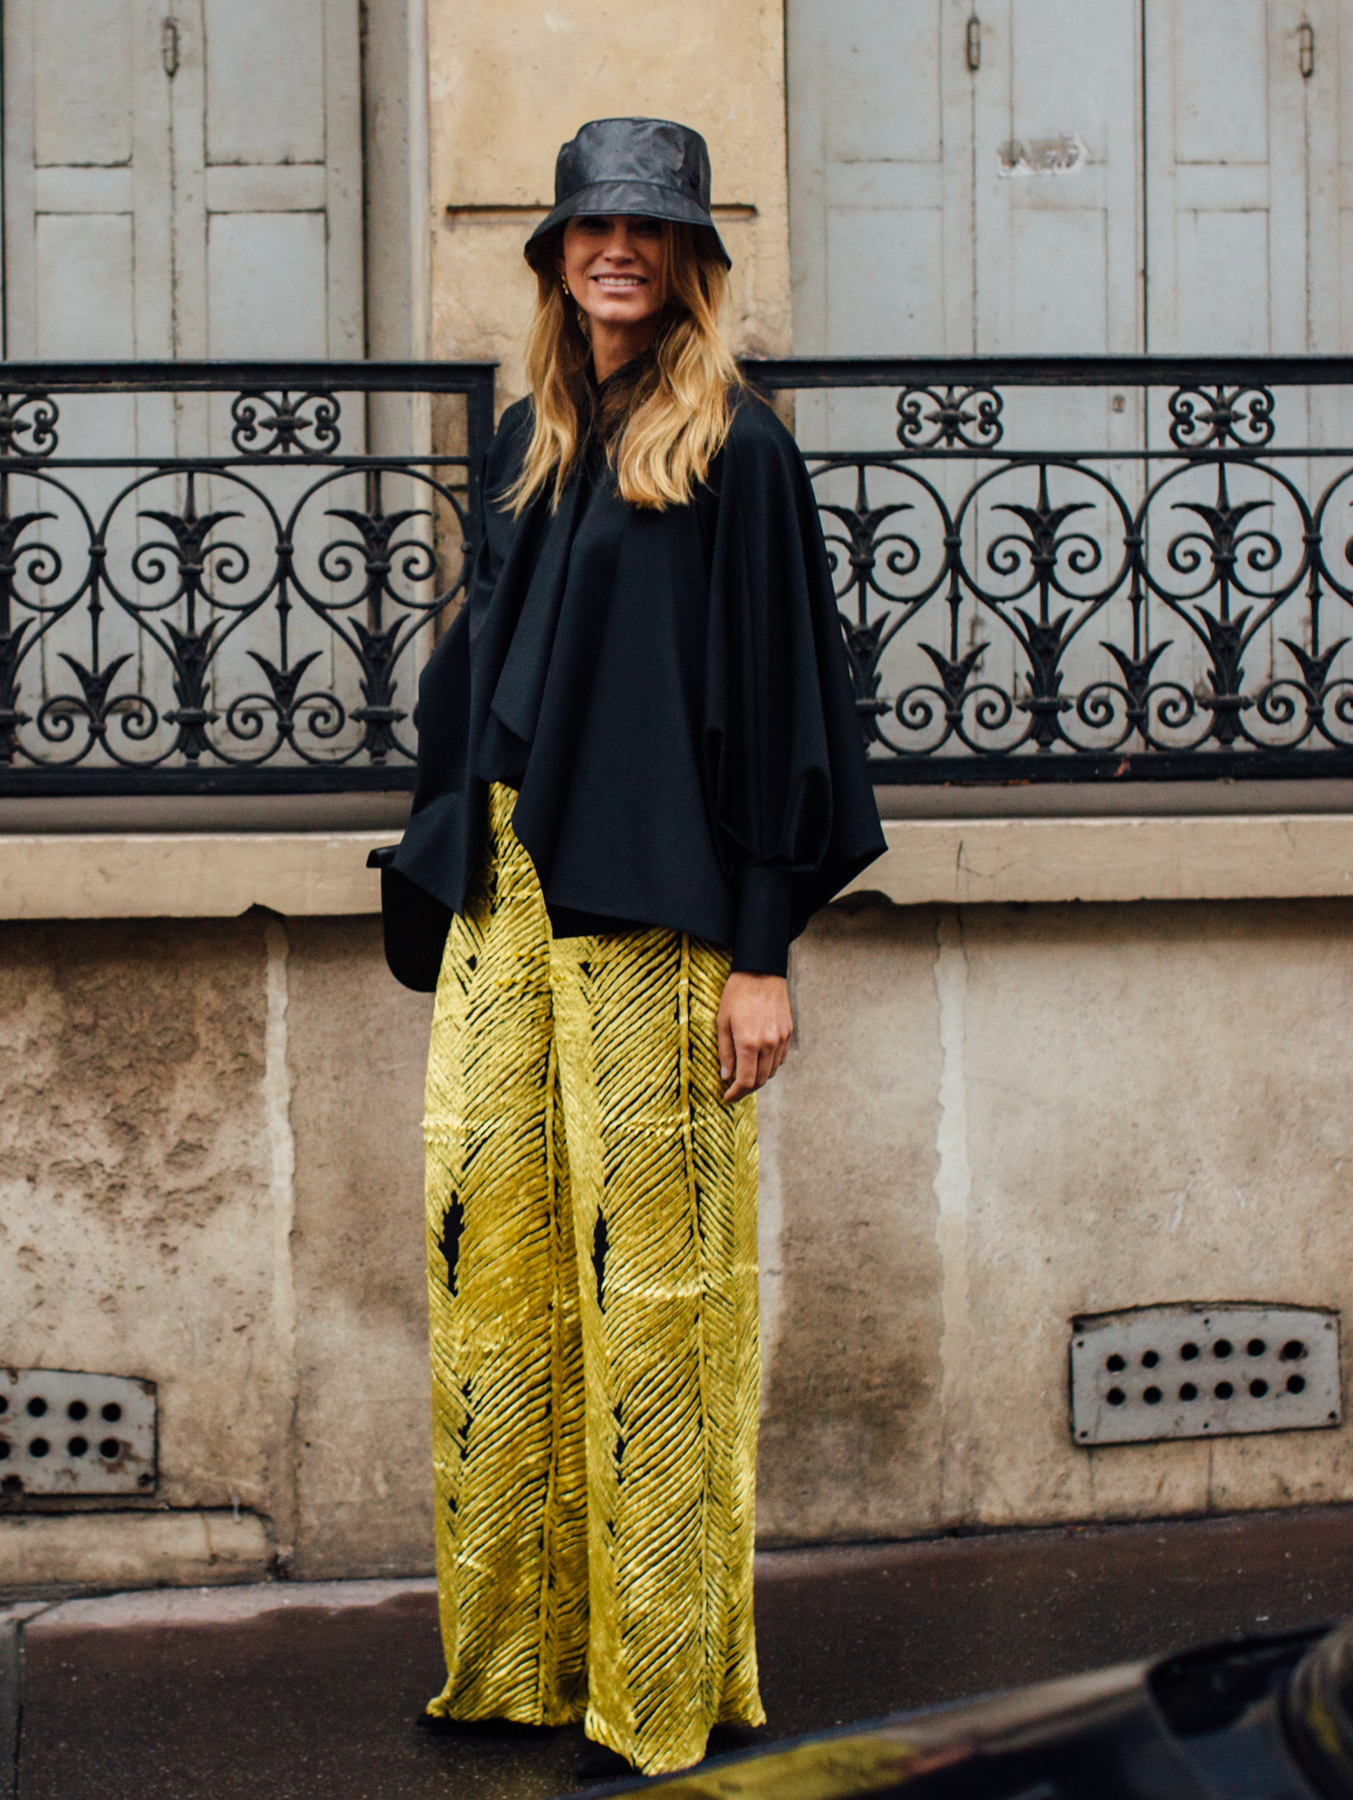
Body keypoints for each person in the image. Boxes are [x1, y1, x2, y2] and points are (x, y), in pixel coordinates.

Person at [375, 117, 888, 1777]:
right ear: (558, 256)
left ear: (686, 265)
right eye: (592, 225)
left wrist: (761, 950)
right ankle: (521, 1658)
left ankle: (656, 1693)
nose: (617, 250)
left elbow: (786, 715)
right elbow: (488, 679)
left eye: (647, 231)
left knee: (656, 1299)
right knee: (496, 1274)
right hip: (510, 897)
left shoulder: (738, 452)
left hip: (661, 915)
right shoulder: (536, 434)